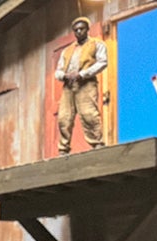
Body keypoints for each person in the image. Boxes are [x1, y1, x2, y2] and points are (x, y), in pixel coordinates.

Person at [55, 16, 107, 155]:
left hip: (86, 83)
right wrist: (64, 76)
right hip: (68, 86)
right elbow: (58, 70)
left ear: (87, 29)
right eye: (76, 30)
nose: (79, 31)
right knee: (64, 118)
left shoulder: (97, 44)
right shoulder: (67, 50)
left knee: (89, 114)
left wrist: (83, 74)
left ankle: (97, 144)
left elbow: (102, 62)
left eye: (81, 29)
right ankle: (63, 149)